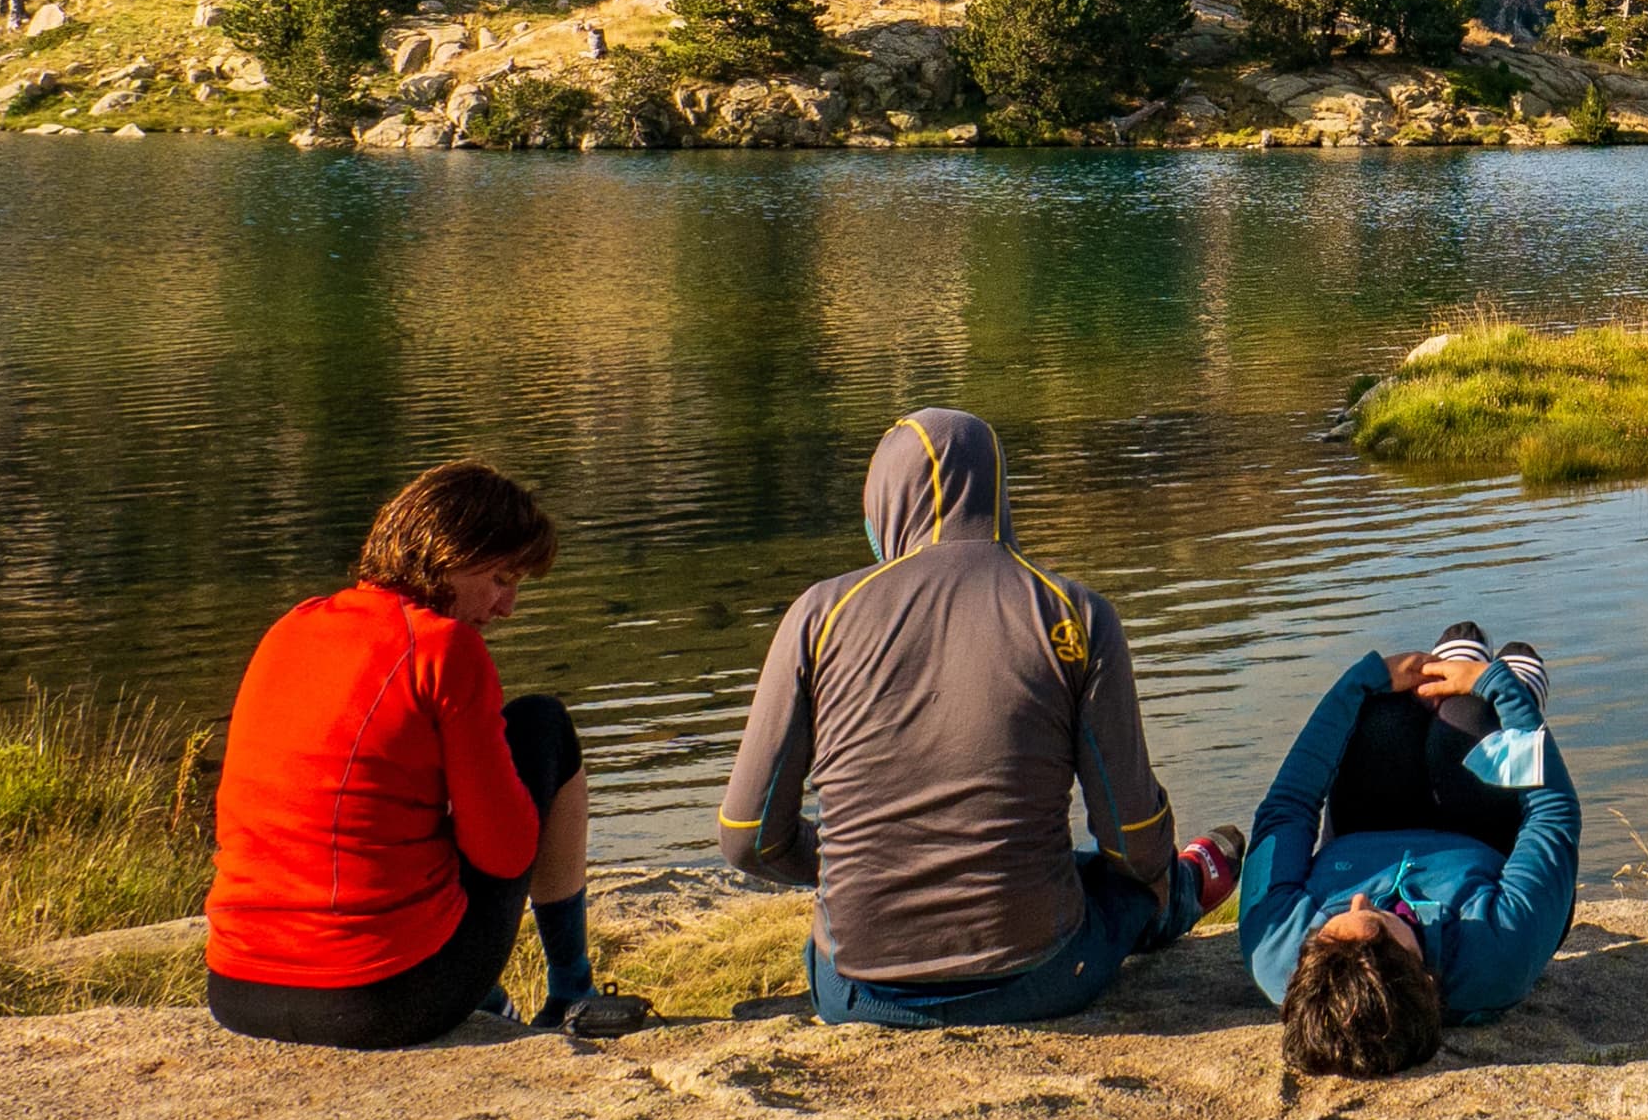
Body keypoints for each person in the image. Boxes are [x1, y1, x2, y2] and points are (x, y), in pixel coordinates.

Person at [719, 408, 1238, 1027]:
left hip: (856, 992)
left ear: (883, 503)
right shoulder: (1074, 615)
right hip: (1039, 980)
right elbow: (1132, 839)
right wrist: (1152, 872)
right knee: (1123, 880)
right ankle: (1187, 890)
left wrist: (840, 862)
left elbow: (747, 835)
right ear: (997, 493)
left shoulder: (817, 616)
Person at [207, 460, 637, 1046]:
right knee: (543, 724)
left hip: (237, 989)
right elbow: (505, 854)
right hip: (378, 1001)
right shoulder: (444, 647)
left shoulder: (292, 626)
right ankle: (572, 992)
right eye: (501, 578)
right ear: (448, 555)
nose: (507, 606)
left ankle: (494, 998)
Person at [1246, 622, 1578, 1075]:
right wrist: (1497, 687)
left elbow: (1287, 808)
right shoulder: (1499, 951)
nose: (1359, 900)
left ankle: (1443, 679)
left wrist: (1358, 683)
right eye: (1378, 920)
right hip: (1482, 836)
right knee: (1467, 721)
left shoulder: (1274, 950)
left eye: (1327, 929)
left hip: (1367, 826)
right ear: (1423, 975)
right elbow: (1553, 816)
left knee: (1384, 713)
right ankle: (1504, 695)